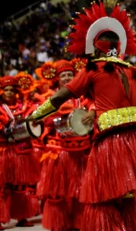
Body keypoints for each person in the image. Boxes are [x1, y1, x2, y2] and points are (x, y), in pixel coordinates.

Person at [25, 0, 136, 230]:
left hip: (112, 139)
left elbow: (59, 97)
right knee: (128, 193)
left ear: (93, 47)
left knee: (101, 195)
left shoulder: (91, 70)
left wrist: (34, 116)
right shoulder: (133, 70)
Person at [35, 60, 95, 231]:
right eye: (63, 76)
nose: (67, 78)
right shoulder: (49, 98)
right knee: (57, 191)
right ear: (57, 79)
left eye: (70, 75)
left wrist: (91, 113)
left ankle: (79, 223)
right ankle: (58, 223)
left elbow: (94, 107)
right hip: (58, 149)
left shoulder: (84, 97)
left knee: (79, 190)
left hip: (81, 149)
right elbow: (43, 119)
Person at [0, 75, 39, 228]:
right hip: (3, 150)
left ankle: (22, 216)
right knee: (1, 186)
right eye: (5, 90)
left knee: (21, 186)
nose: (9, 92)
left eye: (12, 90)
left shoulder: (24, 107)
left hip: (21, 151)